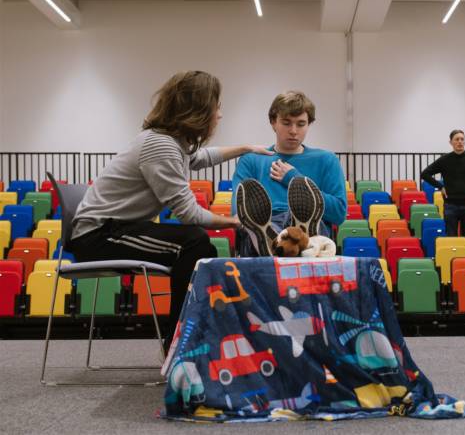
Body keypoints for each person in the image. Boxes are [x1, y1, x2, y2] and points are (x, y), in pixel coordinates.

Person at [70, 71, 271, 348]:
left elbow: (200, 158)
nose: (220, 114)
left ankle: (197, 333)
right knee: (194, 242)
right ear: (198, 109)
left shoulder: (169, 141)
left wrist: (245, 148)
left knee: (205, 252)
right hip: (98, 235)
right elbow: (188, 214)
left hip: (114, 229)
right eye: (217, 106)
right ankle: (179, 342)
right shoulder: (160, 146)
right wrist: (236, 222)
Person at [232, 91, 347, 256]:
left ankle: (285, 240)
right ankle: (277, 237)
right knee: (254, 227)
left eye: (301, 124)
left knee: (308, 225)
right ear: (273, 122)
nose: (293, 131)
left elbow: (338, 213)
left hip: (314, 224)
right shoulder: (251, 160)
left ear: (309, 124)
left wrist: (294, 179)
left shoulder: (326, 160)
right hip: (268, 220)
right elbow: (238, 211)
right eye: (286, 123)